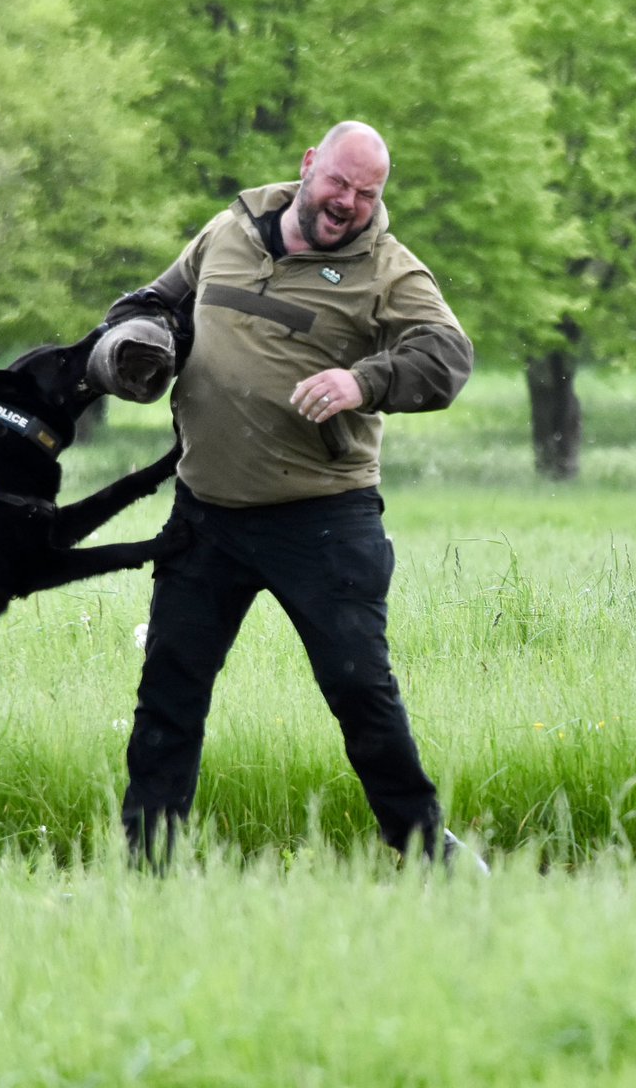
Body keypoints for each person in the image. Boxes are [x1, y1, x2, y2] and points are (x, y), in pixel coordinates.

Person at [102, 120, 477, 869]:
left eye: (367, 194)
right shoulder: (229, 231)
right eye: (339, 182)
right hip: (206, 514)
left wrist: (362, 381)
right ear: (310, 166)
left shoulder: (389, 272)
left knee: (359, 691)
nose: (348, 203)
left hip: (322, 520)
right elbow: (153, 302)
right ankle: (148, 867)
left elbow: (447, 357)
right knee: (169, 695)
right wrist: (137, 344)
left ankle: (426, 852)